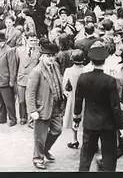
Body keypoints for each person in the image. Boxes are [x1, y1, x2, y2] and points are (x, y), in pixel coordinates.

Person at [73, 41, 123, 172]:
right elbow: (115, 106)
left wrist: (76, 120)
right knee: (109, 156)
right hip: (108, 125)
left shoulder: (83, 78)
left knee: (86, 156)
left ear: (90, 61)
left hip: (89, 123)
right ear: (105, 61)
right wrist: (121, 126)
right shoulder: (110, 80)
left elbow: (78, 100)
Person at [26, 42, 66, 170]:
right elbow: (30, 93)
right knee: (40, 136)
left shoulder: (55, 66)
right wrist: (32, 110)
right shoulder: (36, 71)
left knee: (57, 130)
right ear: (42, 56)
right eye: (48, 56)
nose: (51, 58)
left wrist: (63, 90)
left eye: (53, 56)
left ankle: (45, 150)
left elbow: (57, 80)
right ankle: (38, 158)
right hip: (42, 108)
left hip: (55, 105)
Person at [0, 31, 18, 127]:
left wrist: (11, 80)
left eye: (0, 41)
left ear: (4, 41)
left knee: (8, 102)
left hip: (5, 80)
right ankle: (0, 118)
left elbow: (12, 66)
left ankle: (12, 119)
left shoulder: (9, 51)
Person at [62, 49, 86, 149]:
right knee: (85, 118)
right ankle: (86, 140)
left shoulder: (68, 71)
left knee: (74, 117)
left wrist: (66, 92)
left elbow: (64, 85)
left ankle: (74, 139)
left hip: (73, 97)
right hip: (85, 97)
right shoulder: (87, 69)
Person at [15, 33, 40, 125]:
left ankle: (31, 120)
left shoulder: (38, 51)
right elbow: (16, 64)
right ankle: (22, 117)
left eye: (34, 40)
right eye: (31, 40)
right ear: (26, 40)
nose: (33, 42)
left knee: (31, 99)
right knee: (21, 100)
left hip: (32, 79)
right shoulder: (19, 50)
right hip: (21, 78)